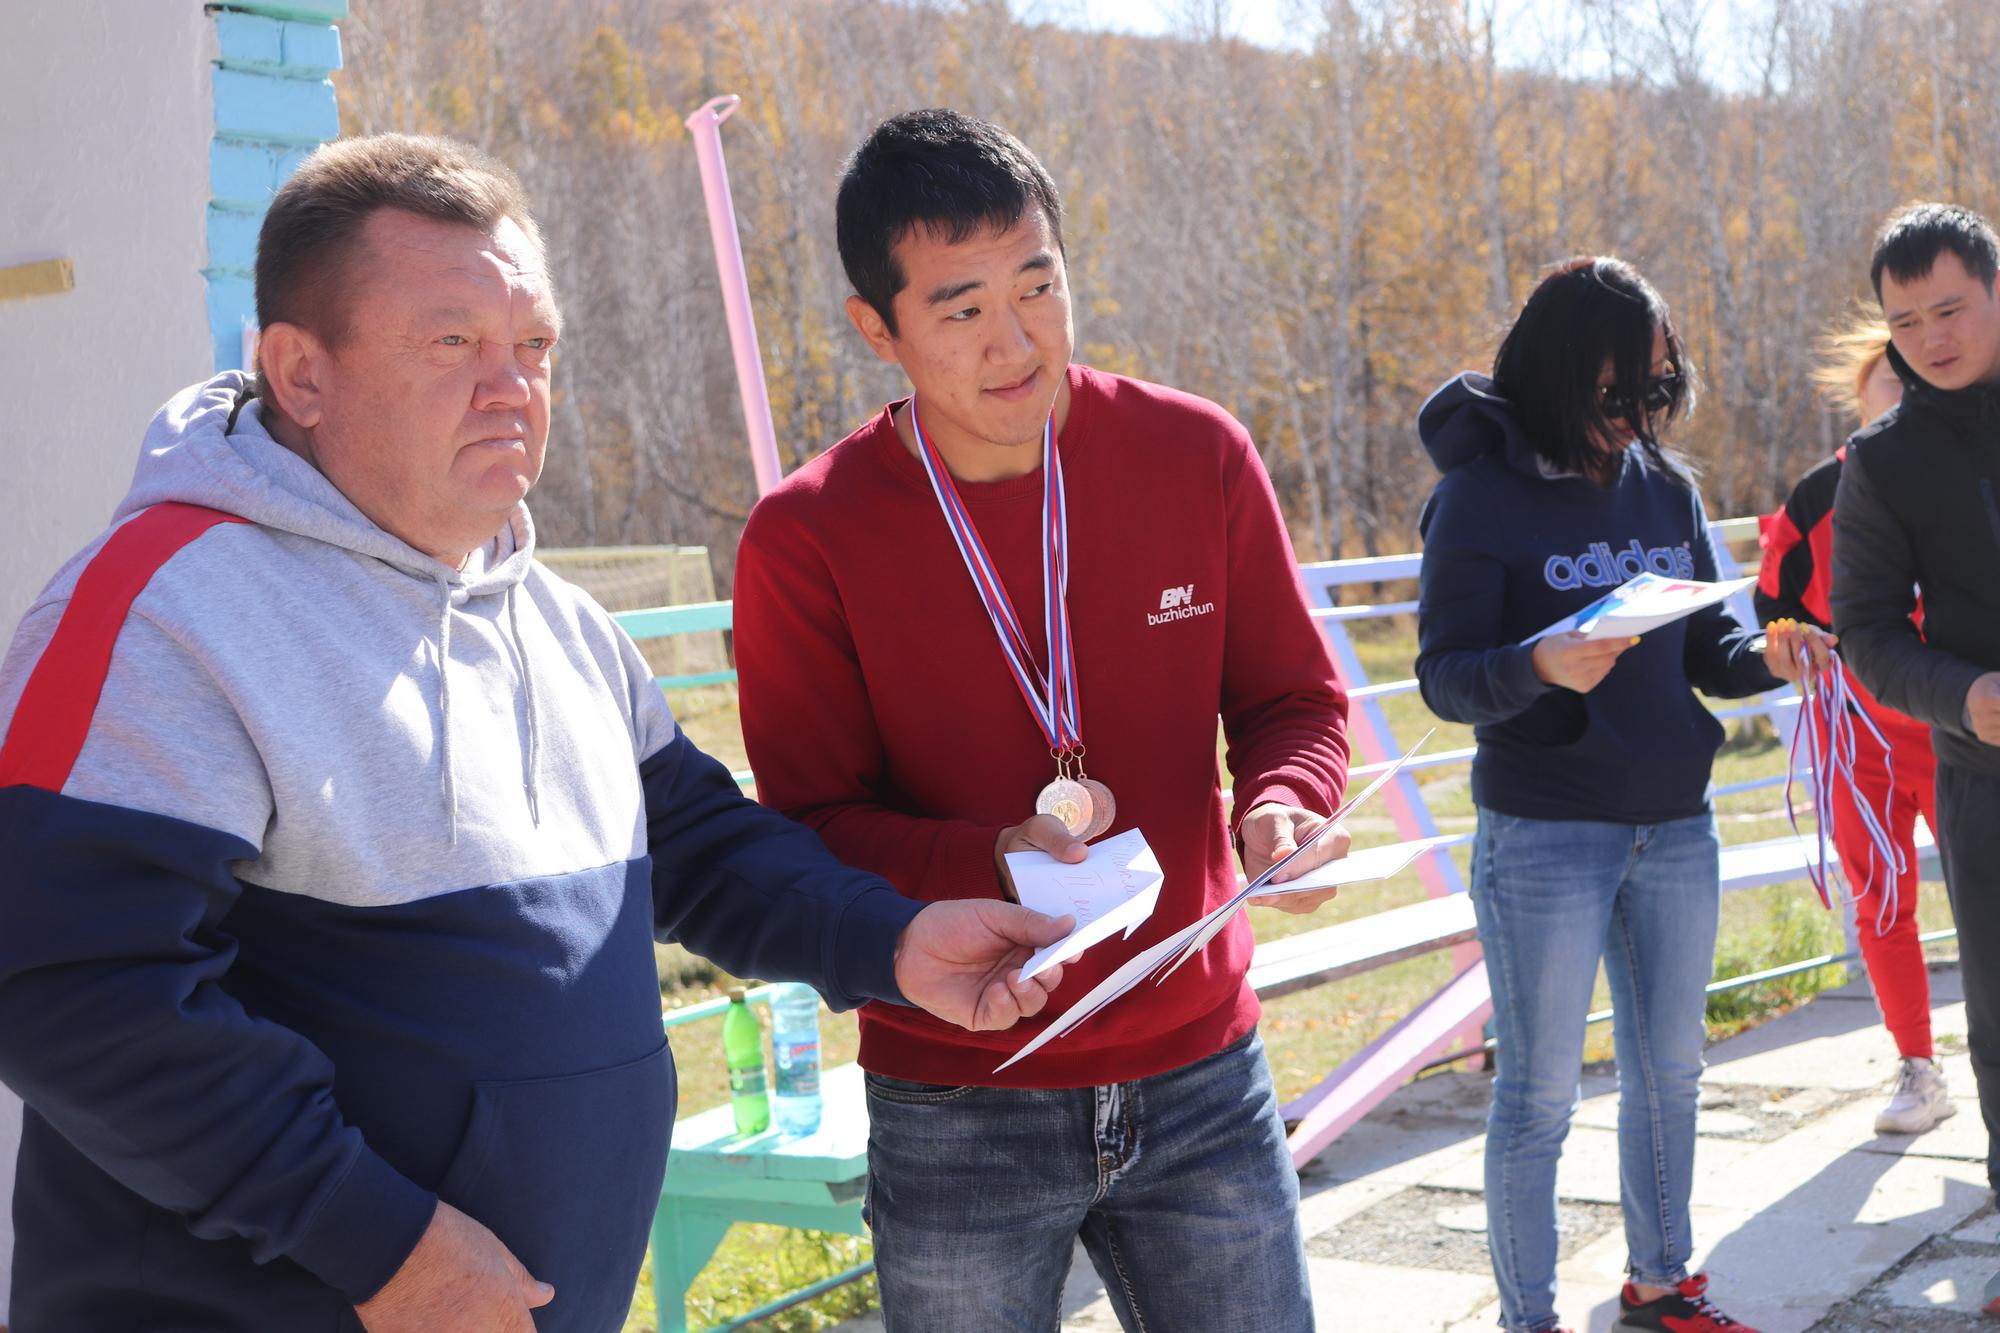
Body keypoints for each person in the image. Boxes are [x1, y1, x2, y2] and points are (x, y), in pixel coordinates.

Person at [0, 133, 1073, 1333]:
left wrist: (896, 938)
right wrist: (384, 1248)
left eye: (534, 346)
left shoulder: (558, 623)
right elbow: (70, 987)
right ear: (300, 373)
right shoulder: (163, 611)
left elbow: (701, 849)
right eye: (453, 342)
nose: (510, 385)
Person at [730, 109, 1350, 1333]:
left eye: (1038, 285)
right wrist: (989, 856)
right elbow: (810, 823)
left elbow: (1290, 698)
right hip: (958, 1086)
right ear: (876, 328)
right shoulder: (807, 536)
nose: (1015, 342)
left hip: (1200, 1063)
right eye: (961, 308)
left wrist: (1284, 802)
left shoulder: (1195, 454)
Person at [1415, 256, 1827, 1333]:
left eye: (1656, 387)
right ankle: (1528, 1317)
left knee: (1670, 1076)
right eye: (1614, 390)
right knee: (1539, 1096)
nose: (1637, 412)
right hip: (1544, 831)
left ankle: (1660, 1285)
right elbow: (1444, 677)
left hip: (1674, 826)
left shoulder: (1666, 488)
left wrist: (1772, 654)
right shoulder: (1478, 496)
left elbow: (1710, 648)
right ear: (1558, 372)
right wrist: (1539, 662)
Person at [1833, 204, 2000, 1315]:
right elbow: (1865, 629)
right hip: (1984, 774)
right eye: (1905, 322)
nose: (1930, 338)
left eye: (1949, 308)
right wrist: (1963, 696)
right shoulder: (1882, 460)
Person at [1756, 317, 1955, 1135]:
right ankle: (1918, 1065)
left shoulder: (1966, 467)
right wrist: (1789, 644)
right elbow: (1773, 607)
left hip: (1959, 725)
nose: (1907, 390)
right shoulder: (1816, 495)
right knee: (1879, 900)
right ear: (1862, 392)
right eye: (1891, 377)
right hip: (1857, 738)